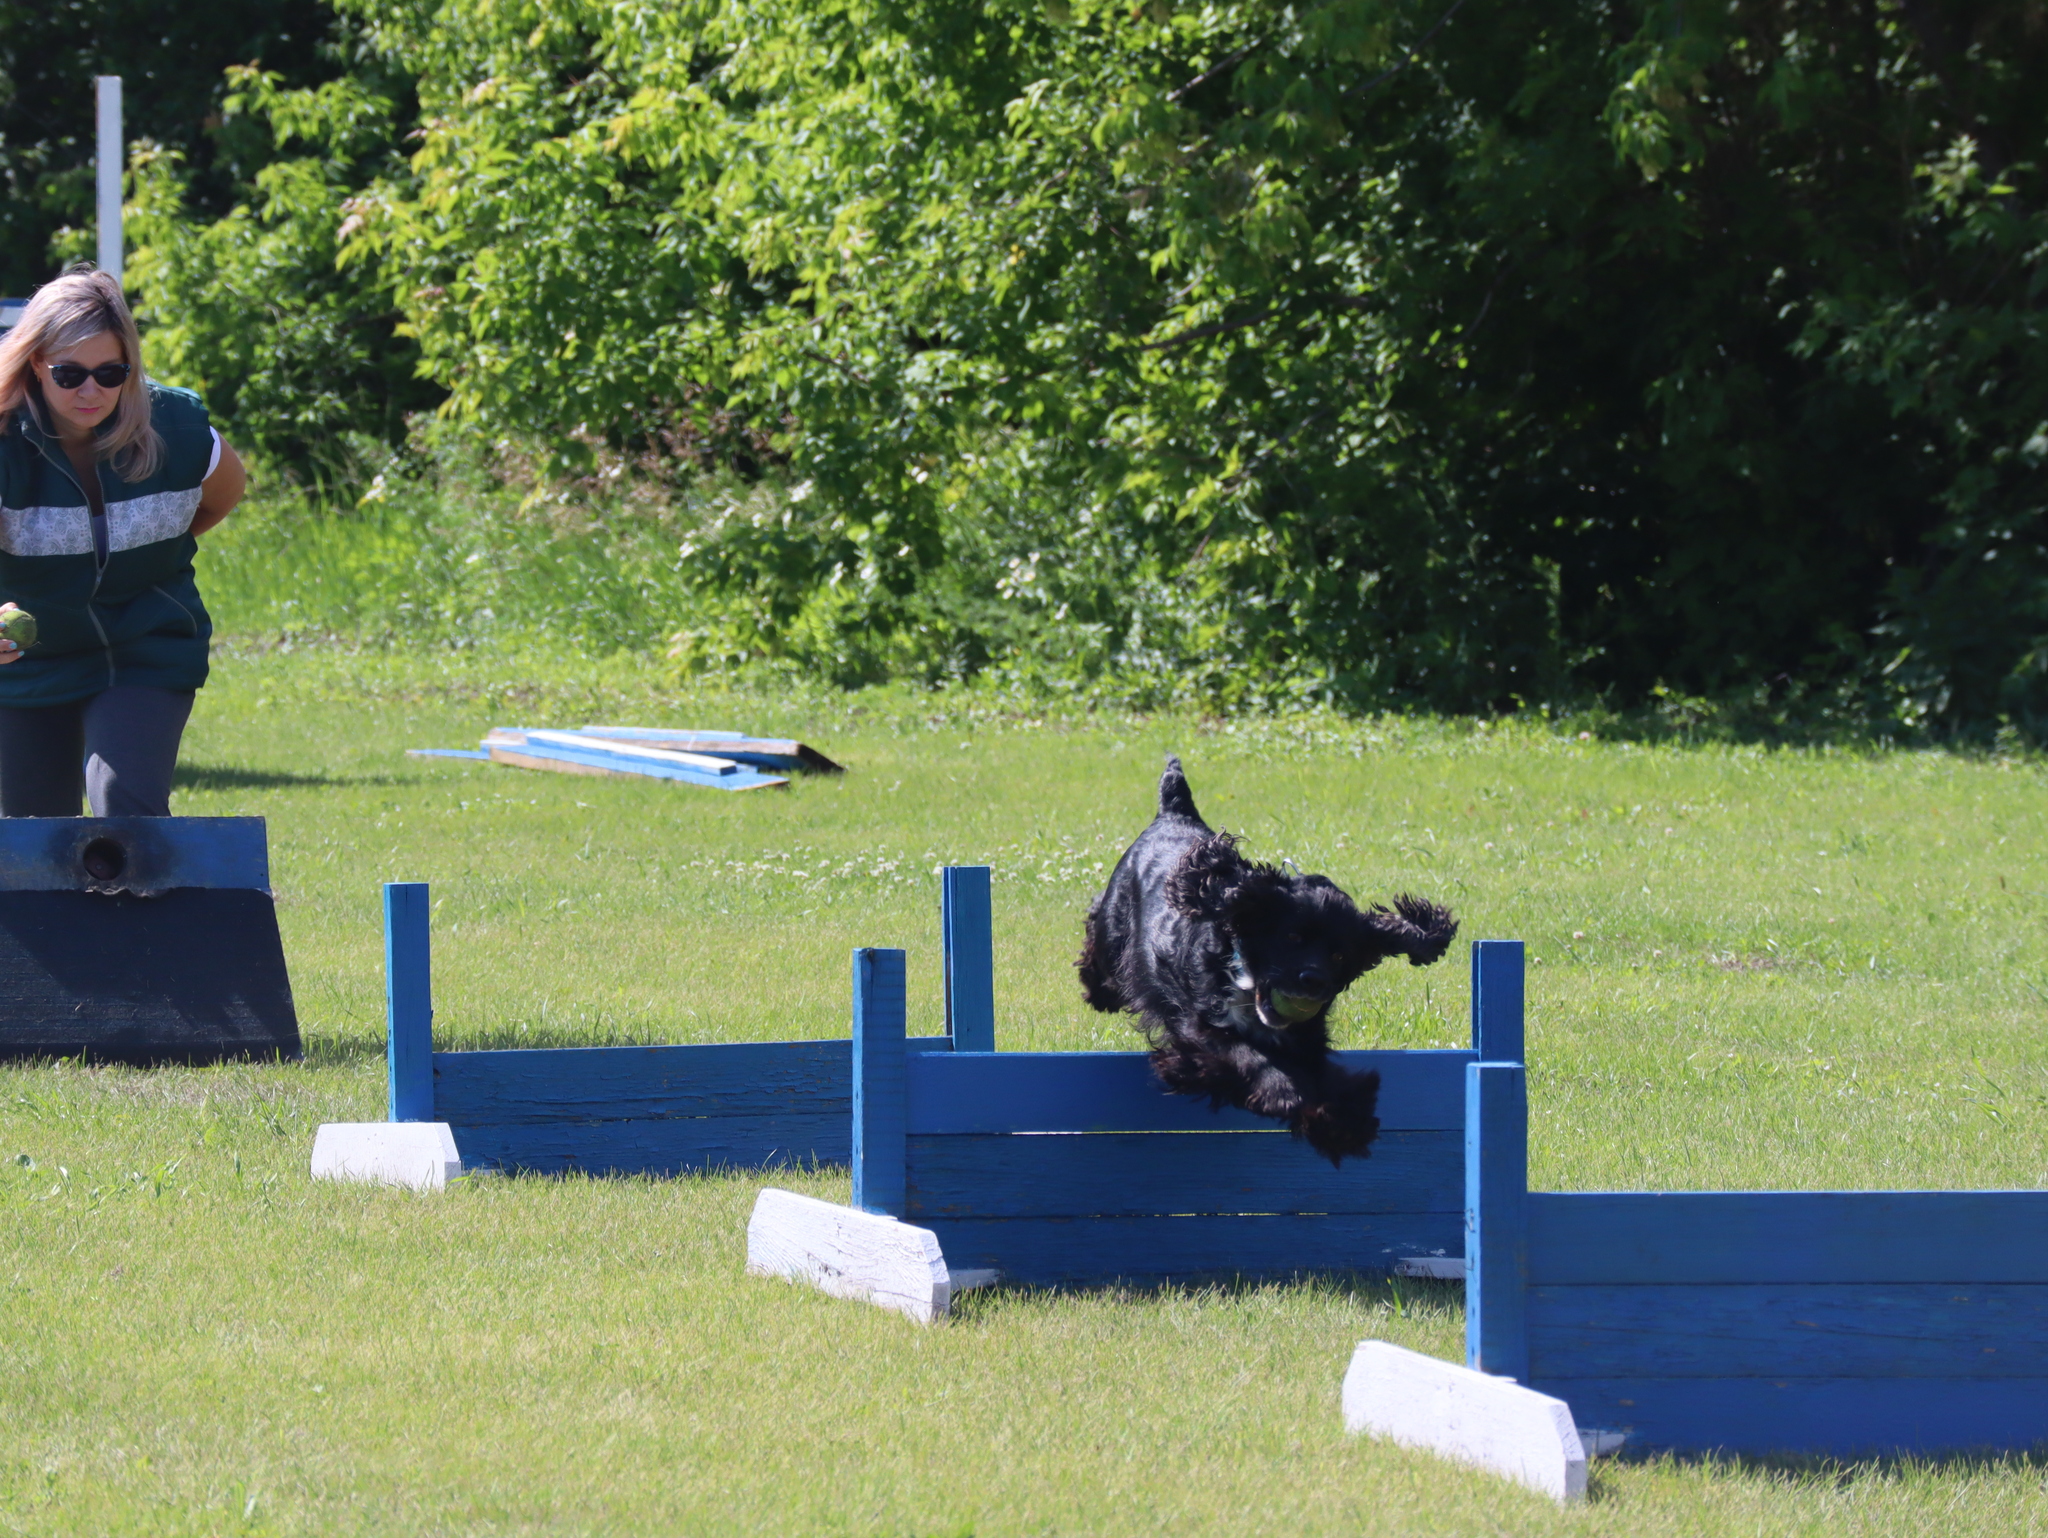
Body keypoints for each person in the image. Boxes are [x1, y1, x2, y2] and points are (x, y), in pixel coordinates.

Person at [0, 266, 246, 817]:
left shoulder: (178, 429)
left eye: (111, 373)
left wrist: (132, 561)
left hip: (146, 646)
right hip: (28, 661)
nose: (92, 390)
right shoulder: (3, 445)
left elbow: (223, 495)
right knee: (36, 836)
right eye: (70, 374)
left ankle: (148, 905)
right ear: (37, 363)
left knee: (125, 805)